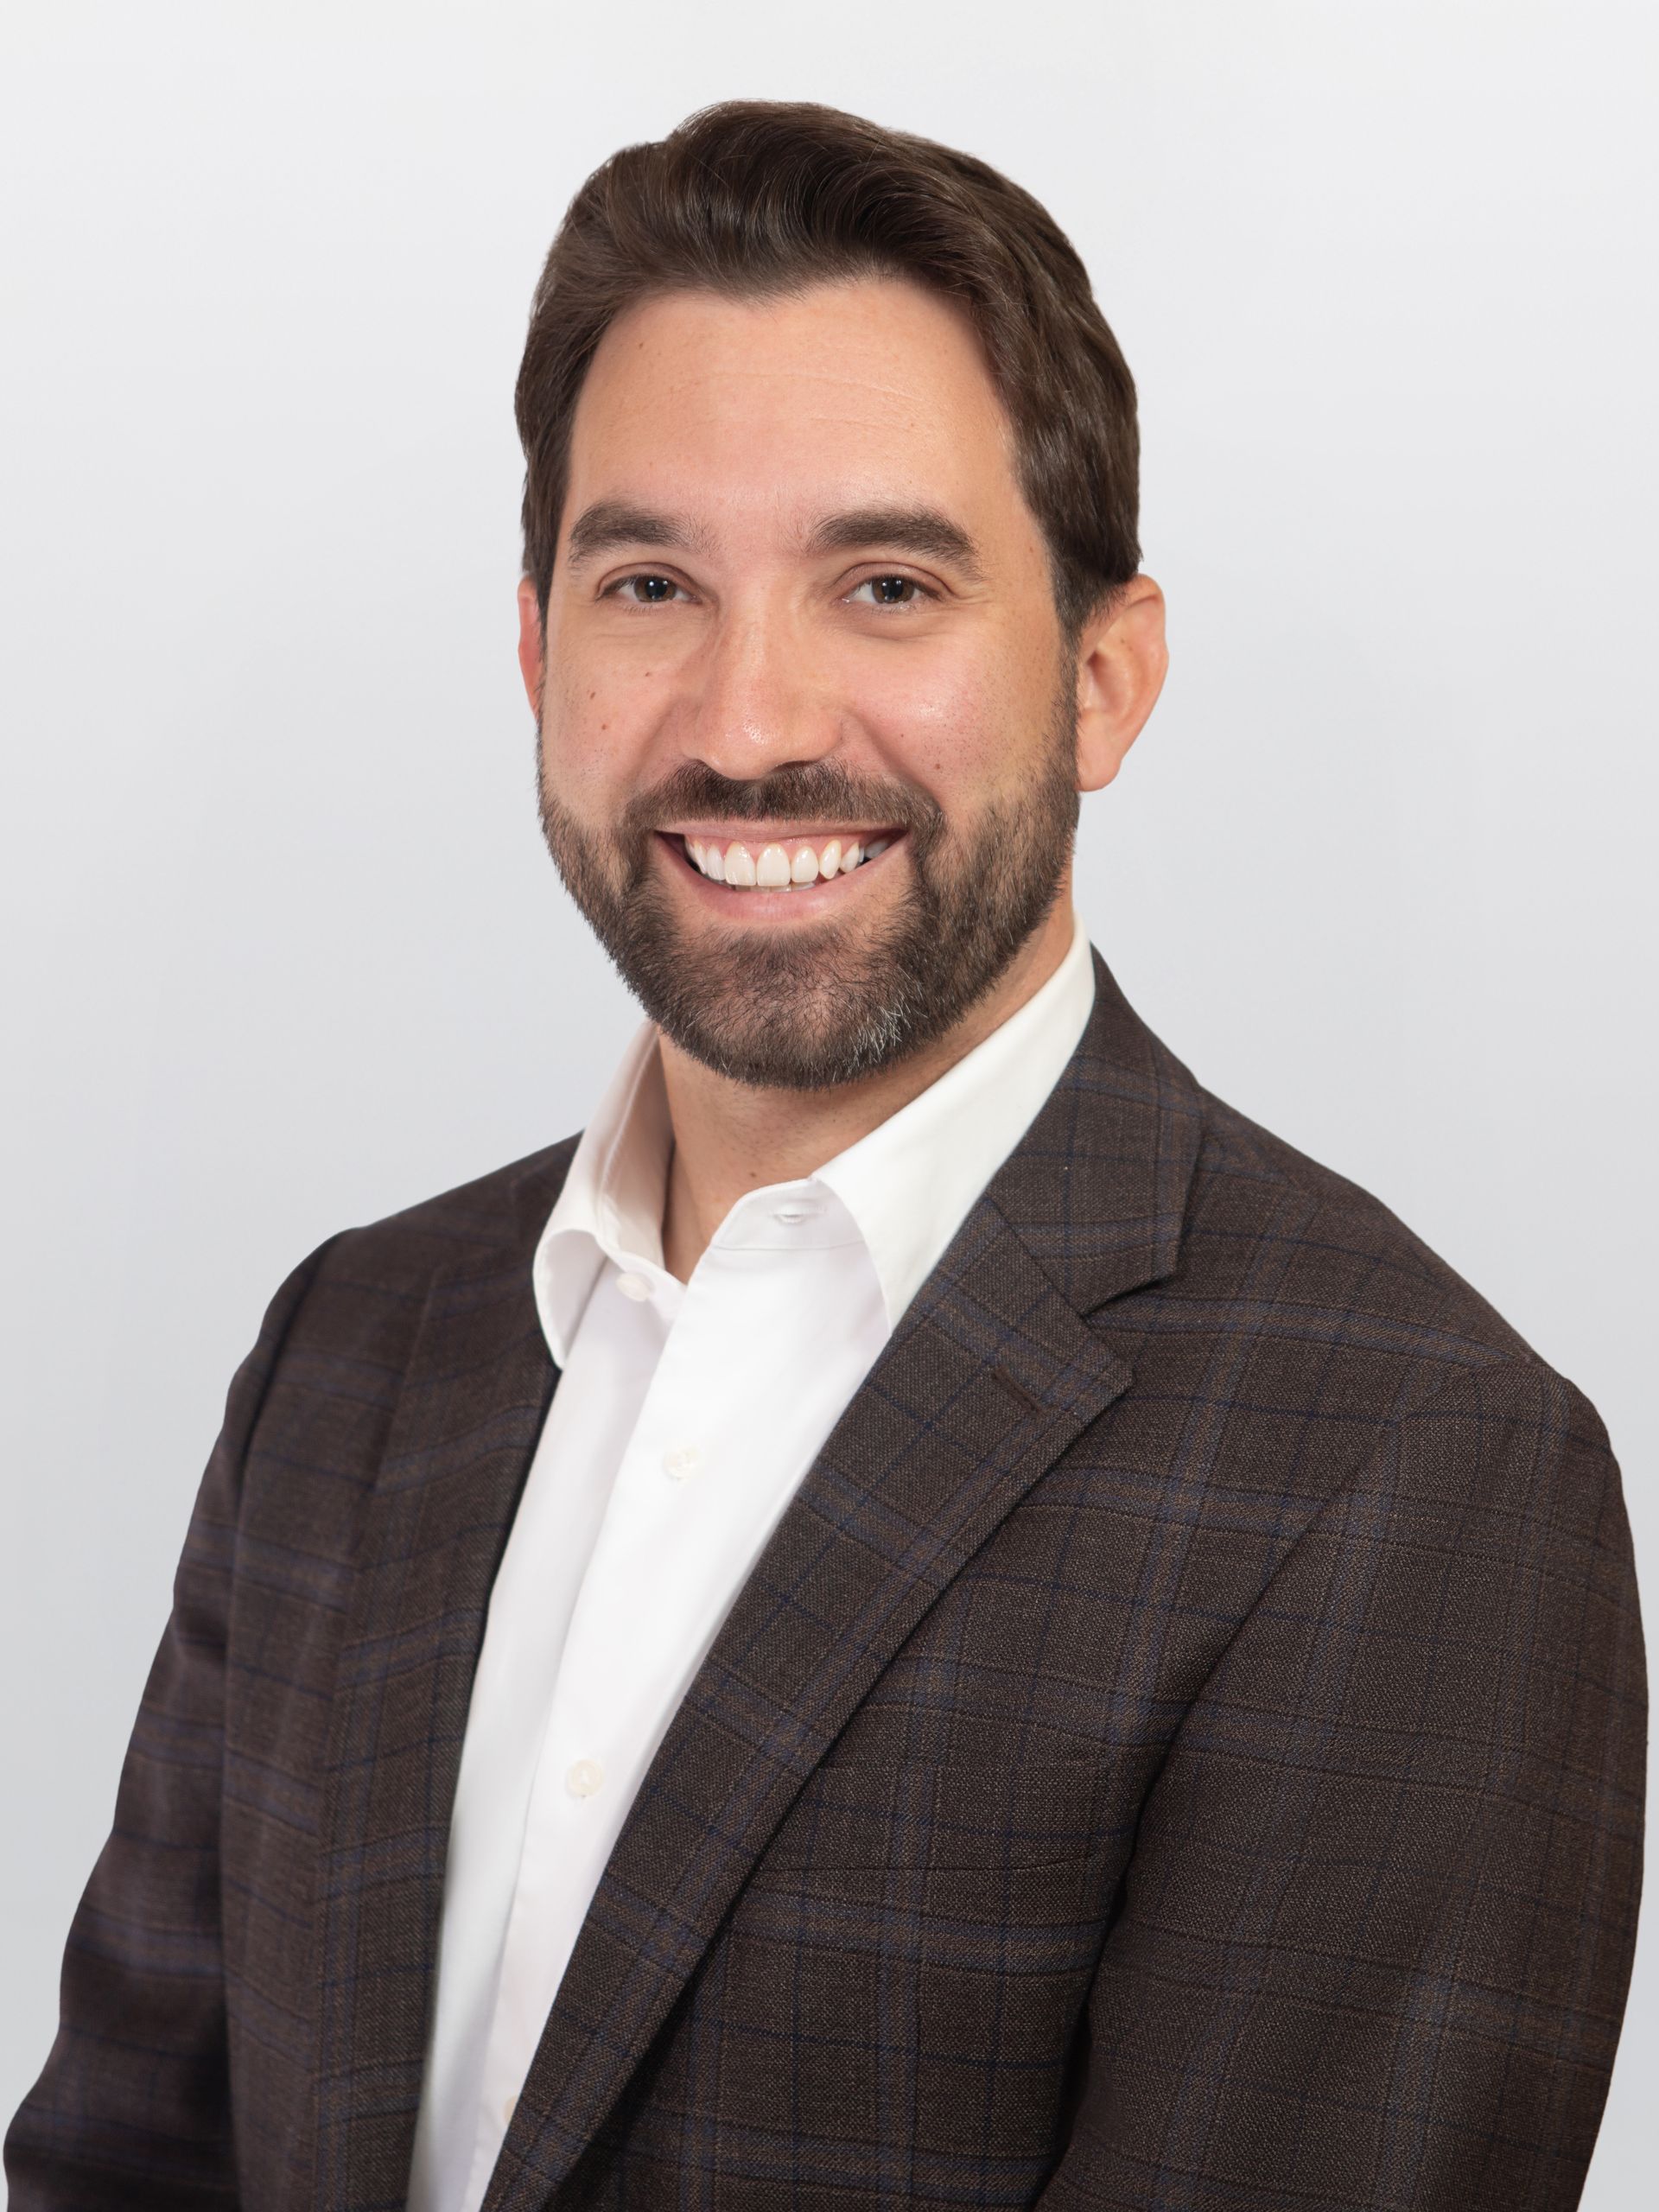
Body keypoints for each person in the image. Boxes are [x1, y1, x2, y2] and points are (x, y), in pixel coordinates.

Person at [6, 99, 1644, 2212]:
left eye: (886, 583)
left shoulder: (1415, 1469)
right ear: (535, 655)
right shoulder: (353, 1352)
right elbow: (125, 2166)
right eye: (651, 580)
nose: (752, 712)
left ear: (1105, 676)